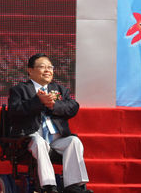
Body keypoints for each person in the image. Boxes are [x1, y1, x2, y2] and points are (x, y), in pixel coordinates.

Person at [8, 53, 92, 193]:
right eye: (42, 67)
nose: (48, 70)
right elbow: (14, 111)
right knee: (39, 143)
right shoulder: (20, 90)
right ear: (30, 70)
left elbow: (73, 107)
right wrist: (38, 102)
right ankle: (48, 186)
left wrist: (54, 106)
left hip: (56, 139)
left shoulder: (59, 89)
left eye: (50, 67)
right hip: (31, 137)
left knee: (74, 141)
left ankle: (73, 186)